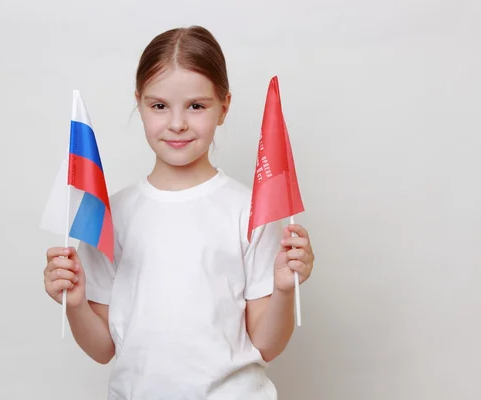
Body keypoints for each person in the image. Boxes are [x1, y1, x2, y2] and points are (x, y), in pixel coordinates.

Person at [43, 25, 315, 400]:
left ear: (224, 107)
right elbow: (102, 348)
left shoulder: (251, 211)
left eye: (196, 106)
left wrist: (284, 289)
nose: (177, 123)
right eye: (159, 106)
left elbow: (266, 344)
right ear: (139, 103)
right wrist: (75, 304)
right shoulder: (112, 215)